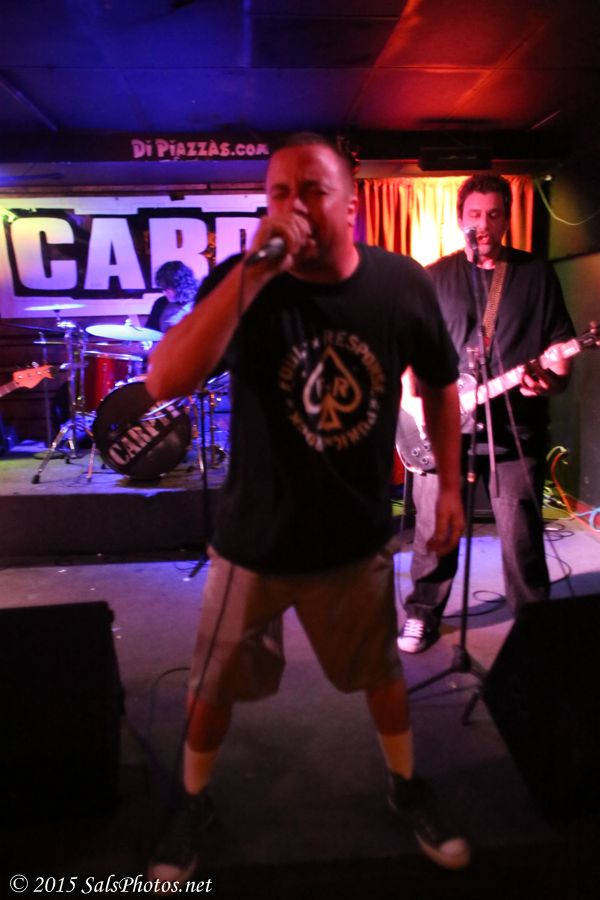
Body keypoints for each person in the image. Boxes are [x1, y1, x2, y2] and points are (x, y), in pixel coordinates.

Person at [145, 132, 469, 886]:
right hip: (253, 543)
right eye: (280, 193)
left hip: (353, 539)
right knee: (211, 687)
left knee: (382, 674)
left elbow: (442, 382)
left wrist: (451, 484)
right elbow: (163, 381)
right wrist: (251, 275)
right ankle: (193, 801)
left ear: (350, 206)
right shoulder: (244, 281)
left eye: (313, 191)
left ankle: (405, 784)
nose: (294, 207)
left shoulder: (400, 285)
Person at [397, 173, 576, 654]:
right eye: (475, 215)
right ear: (460, 219)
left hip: (514, 424)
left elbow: (560, 354)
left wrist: (551, 379)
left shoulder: (535, 275)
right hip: (441, 426)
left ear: (506, 219)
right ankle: (422, 613)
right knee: (435, 527)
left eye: (494, 215)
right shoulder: (434, 277)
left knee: (521, 531)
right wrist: (412, 401)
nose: (483, 224)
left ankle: (533, 622)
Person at [146, 261, 198, 334]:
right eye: (163, 288)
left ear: (181, 286)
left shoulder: (201, 303)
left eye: (167, 289)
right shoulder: (160, 303)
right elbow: (150, 331)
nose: (164, 293)